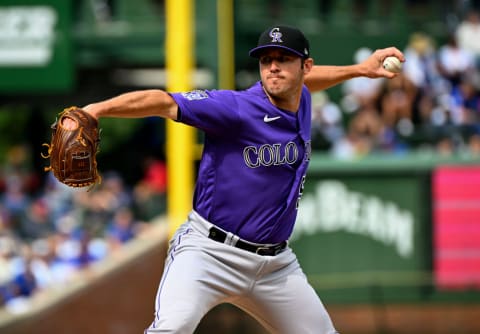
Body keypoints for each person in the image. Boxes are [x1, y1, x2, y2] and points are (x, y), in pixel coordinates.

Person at [63, 25, 404, 334]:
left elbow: (310, 82)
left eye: (284, 59)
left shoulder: (301, 98)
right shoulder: (236, 108)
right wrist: (97, 110)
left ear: (305, 66)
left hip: (275, 266)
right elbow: (163, 102)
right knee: (173, 327)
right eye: (266, 59)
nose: (273, 67)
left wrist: (360, 70)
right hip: (208, 253)